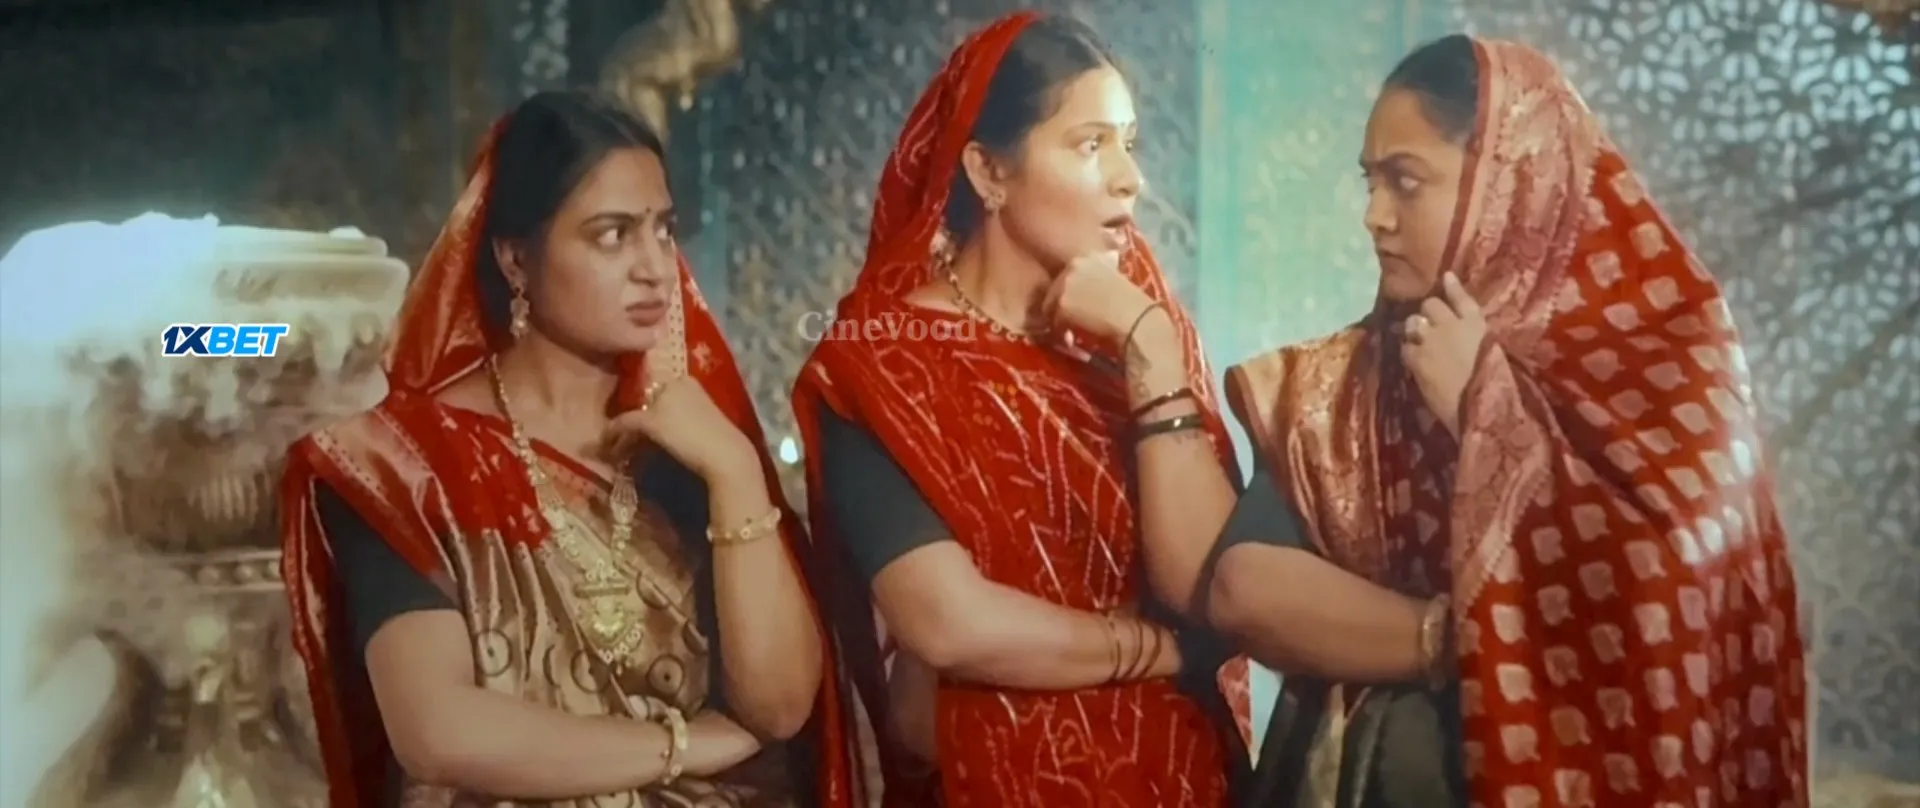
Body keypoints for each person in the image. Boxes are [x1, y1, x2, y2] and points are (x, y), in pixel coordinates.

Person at [1206, 34, 1811, 807]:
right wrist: (1464, 639)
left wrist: (1482, 410)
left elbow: (1680, 612)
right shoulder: (1354, 381)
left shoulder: (1670, 362)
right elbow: (1245, 590)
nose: (1374, 217)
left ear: (1510, 182)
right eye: (1370, 182)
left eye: (1405, 182)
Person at [278, 90, 859, 808]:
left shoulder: (693, 452)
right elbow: (437, 731)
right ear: (516, 260)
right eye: (612, 235)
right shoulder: (404, 466)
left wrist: (737, 473)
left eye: (663, 230)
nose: (654, 267)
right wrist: (683, 746)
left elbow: (780, 711)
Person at [790, 11, 1249, 807]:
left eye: (1130, 143)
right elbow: (949, 624)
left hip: (1190, 778)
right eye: (1090, 145)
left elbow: (1213, 586)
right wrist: (1161, 651)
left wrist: (1150, 348)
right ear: (987, 171)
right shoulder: (882, 369)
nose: (1129, 180)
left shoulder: (1139, 336)